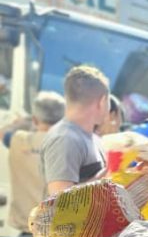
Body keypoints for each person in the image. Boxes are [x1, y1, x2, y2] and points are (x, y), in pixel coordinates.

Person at [1, 91, 65, 237]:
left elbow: (2, 132)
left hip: (26, 230)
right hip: (56, 233)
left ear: (35, 119)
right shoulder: (68, 144)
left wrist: (22, 121)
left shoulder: (18, 140)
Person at [41, 66, 109, 196]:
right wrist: (107, 176)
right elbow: (60, 201)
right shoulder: (64, 139)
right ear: (102, 101)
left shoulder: (92, 138)